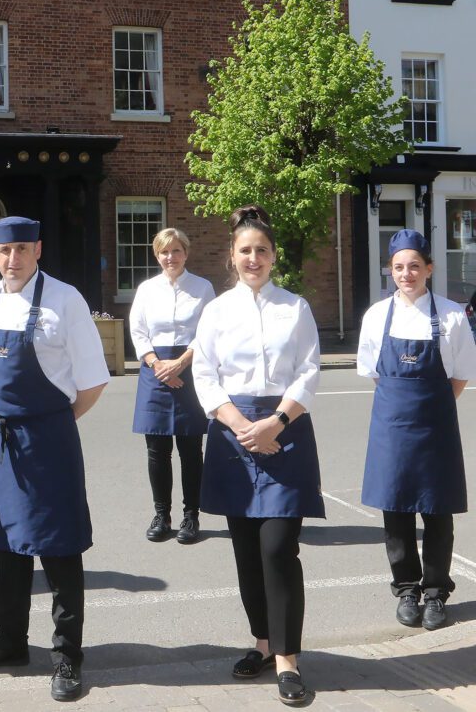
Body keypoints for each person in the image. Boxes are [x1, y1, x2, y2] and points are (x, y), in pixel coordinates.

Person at [0, 216, 109, 703]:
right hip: (1, 441)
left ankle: (67, 654)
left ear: (38, 249)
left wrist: (50, 425)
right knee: (8, 546)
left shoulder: (66, 300)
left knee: (60, 549)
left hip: (48, 439)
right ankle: (9, 641)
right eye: (5, 251)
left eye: (23, 249)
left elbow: (92, 382)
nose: (13, 259)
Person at [192, 205, 322, 707]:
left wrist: (276, 423)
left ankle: (288, 660)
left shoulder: (296, 308)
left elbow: (309, 372)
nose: (253, 258)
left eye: (261, 250)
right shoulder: (217, 311)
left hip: (285, 430)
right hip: (233, 433)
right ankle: (264, 645)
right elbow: (205, 374)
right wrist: (242, 426)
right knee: (247, 552)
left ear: (274, 257)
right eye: (245, 250)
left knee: (277, 548)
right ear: (232, 256)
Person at [356, 228, 476, 631]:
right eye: (398, 267)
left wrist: (431, 407)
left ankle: (436, 591)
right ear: (390, 271)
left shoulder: (453, 315)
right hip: (392, 427)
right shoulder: (376, 316)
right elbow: (375, 373)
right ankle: (406, 588)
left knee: (438, 511)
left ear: (429, 268)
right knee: (396, 509)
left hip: (436, 428)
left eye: (414, 266)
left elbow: (459, 376)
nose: (406, 274)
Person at [129, 227, 215, 544]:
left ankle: (191, 516)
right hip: (155, 371)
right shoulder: (147, 289)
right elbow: (138, 331)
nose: (170, 257)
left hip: (191, 369)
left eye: (176, 251)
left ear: (186, 253)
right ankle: (161, 515)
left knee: (191, 450)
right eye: (164, 252)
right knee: (157, 451)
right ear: (157, 255)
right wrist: (158, 365)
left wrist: (180, 364)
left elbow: (208, 331)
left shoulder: (203, 288)